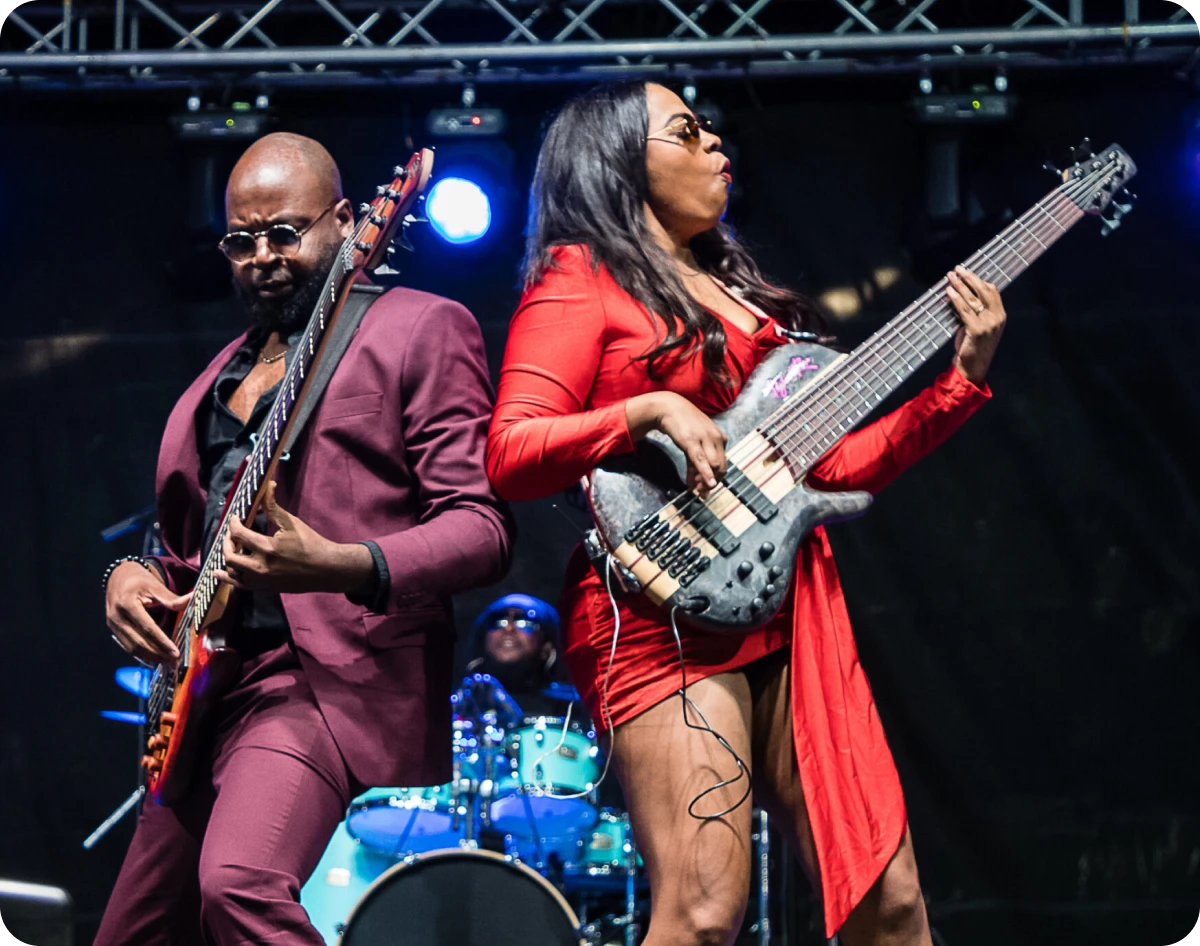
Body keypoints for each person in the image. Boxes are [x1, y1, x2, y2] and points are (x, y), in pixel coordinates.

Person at [485, 82, 1006, 946]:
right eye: (685, 133)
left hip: (786, 607)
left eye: (710, 128)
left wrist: (959, 380)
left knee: (893, 907)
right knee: (699, 915)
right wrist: (645, 412)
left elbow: (831, 469)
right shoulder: (580, 282)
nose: (716, 143)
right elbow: (510, 450)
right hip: (656, 616)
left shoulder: (738, 295)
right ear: (618, 165)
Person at [98, 132, 513, 945]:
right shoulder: (211, 383)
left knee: (241, 886)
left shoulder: (418, 328)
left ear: (347, 222)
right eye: (241, 240)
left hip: (322, 678)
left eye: (285, 232)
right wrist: (127, 575)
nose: (262, 256)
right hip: (207, 692)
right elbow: (180, 549)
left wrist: (338, 564)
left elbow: (484, 527)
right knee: (132, 935)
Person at [465, 593, 571, 719]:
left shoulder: (572, 708)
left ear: (547, 647)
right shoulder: (460, 705)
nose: (509, 628)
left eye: (524, 622)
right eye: (498, 621)